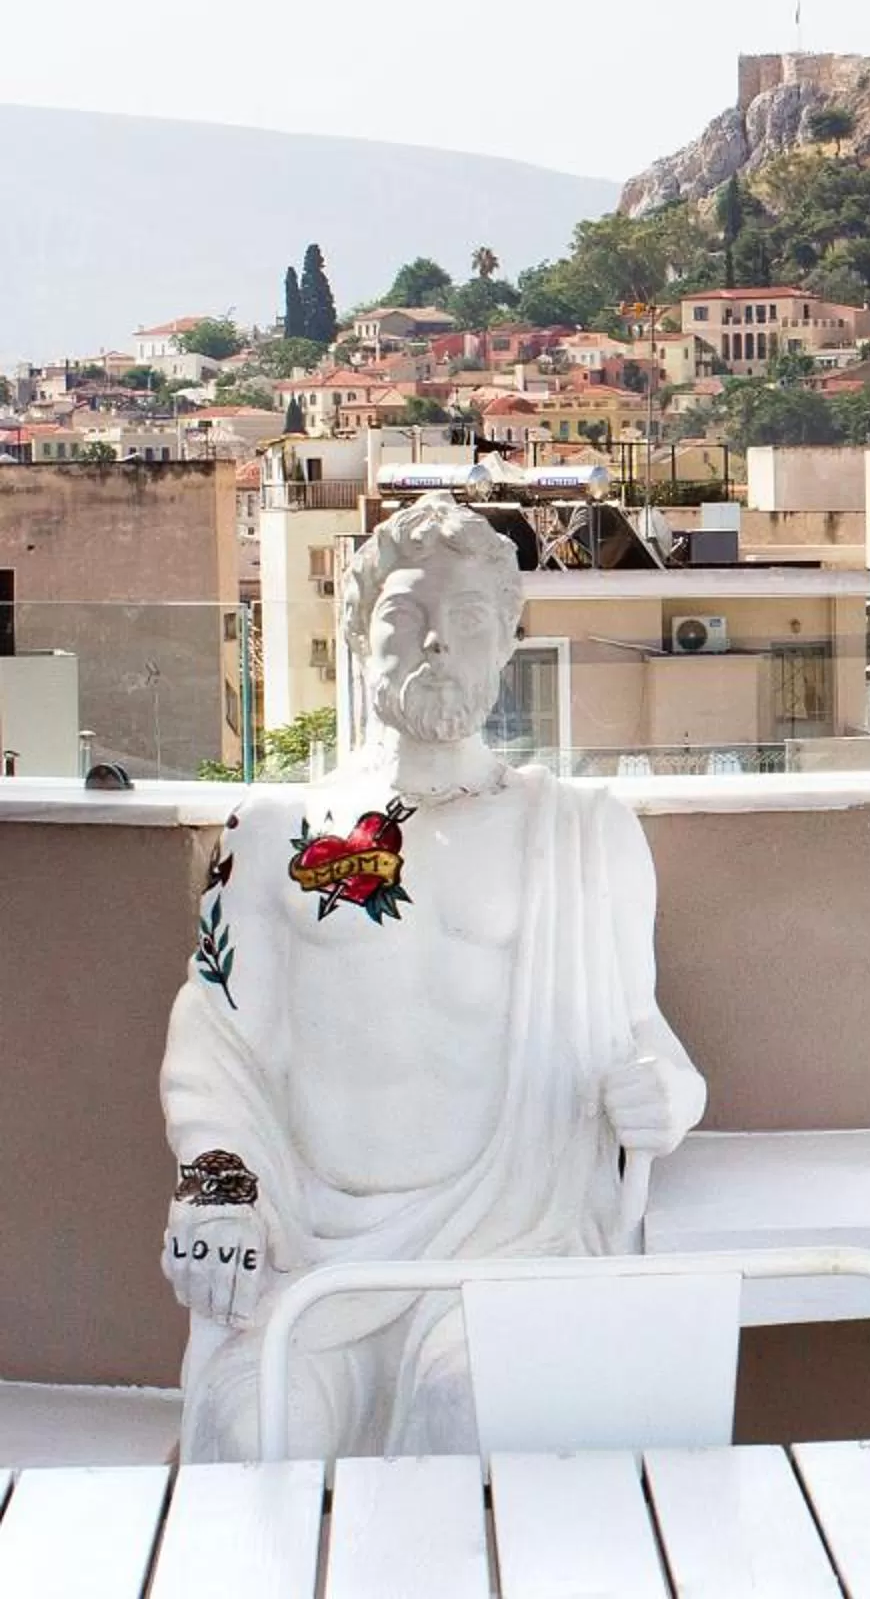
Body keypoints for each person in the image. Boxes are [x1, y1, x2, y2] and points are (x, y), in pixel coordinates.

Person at [160, 494, 706, 1459]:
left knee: (466, 1410)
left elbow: (643, 1034)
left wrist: (670, 1095)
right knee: (253, 1436)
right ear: (357, 635)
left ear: (507, 643)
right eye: (405, 616)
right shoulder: (272, 834)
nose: (437, 645)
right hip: (310, 1252)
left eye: (468, 619)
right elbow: (216, 1048)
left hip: (511, 1239)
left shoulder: (582, 833)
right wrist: (217, 1186)